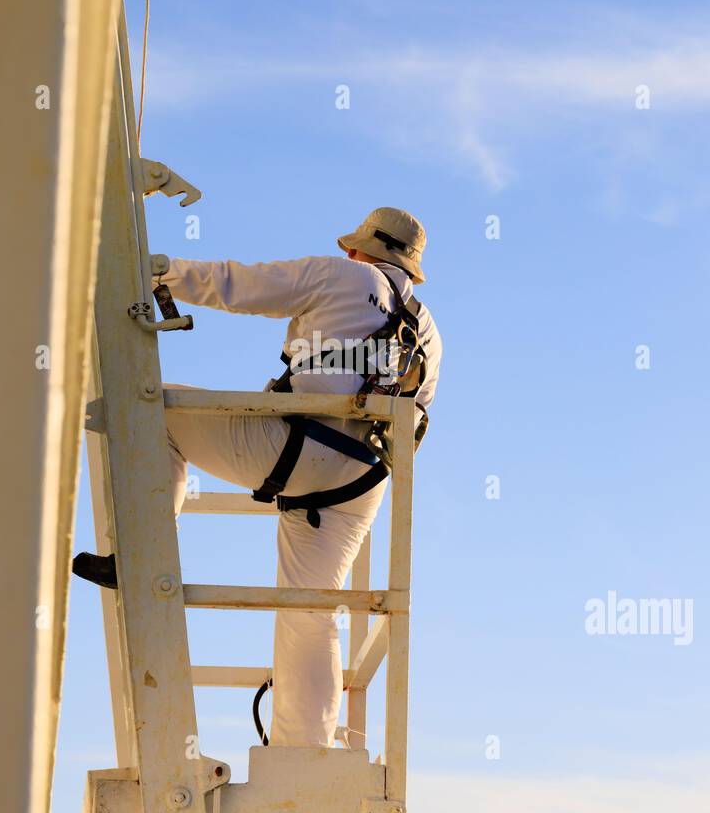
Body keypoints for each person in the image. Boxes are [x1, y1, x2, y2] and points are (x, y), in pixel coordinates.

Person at [73, 207, 442, 748]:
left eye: (354, 246)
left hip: (293, 448)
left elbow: (239, 285)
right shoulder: (431, 334)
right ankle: (306, 752)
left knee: (151, 410)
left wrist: (164, 271)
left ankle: (142, 554)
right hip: (361, 482)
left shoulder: (344, 276)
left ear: (367, 250)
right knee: (309, 610)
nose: (347, 253)